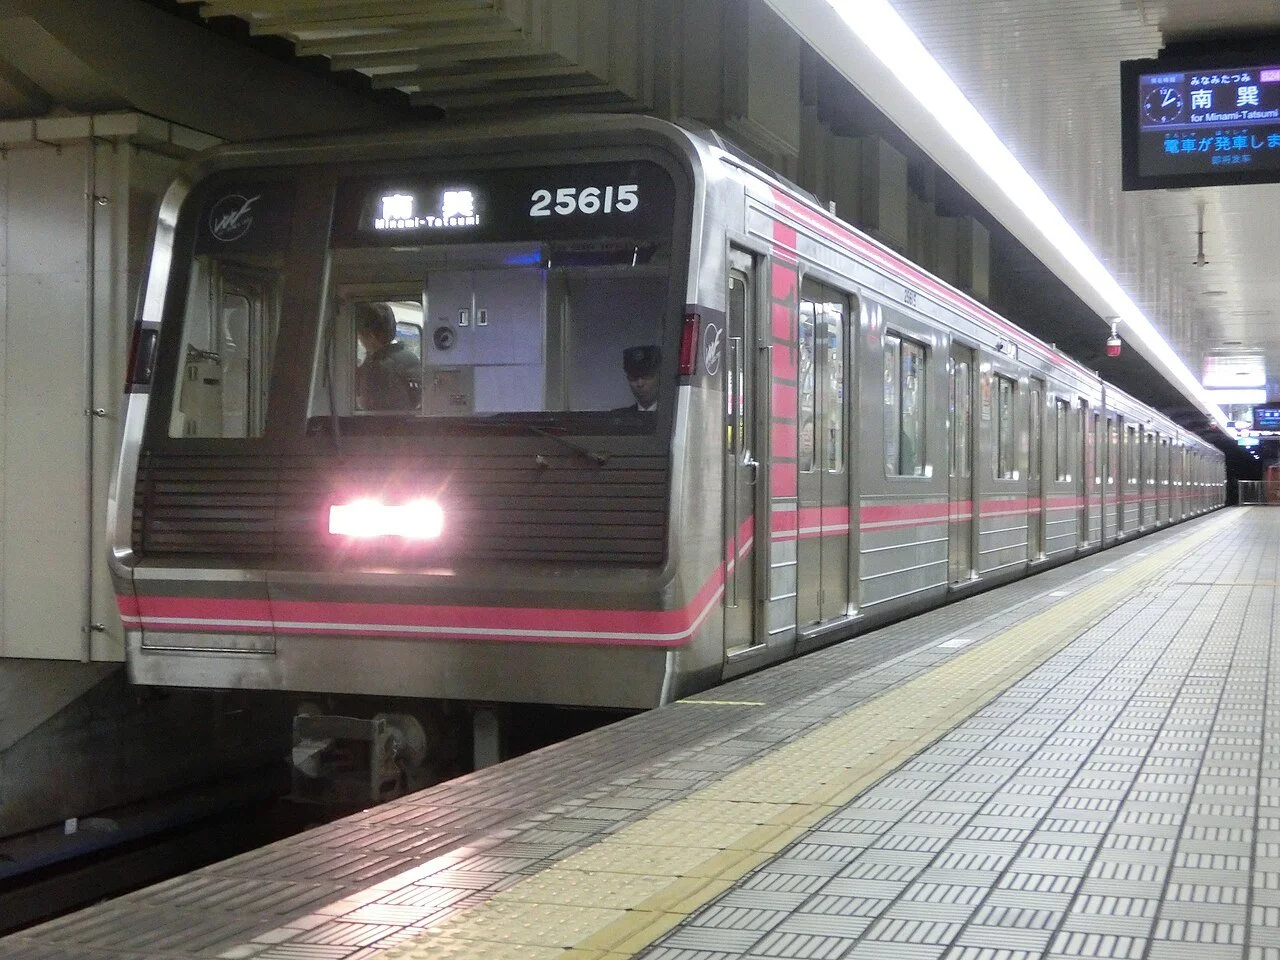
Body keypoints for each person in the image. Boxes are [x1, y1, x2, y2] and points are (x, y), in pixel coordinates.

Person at [354, 302, 420, 411]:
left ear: (371, 337)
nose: (359, 339)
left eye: (359, 335)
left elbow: (370, 408)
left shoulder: (377, 368)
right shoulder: (410, 357)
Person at [619, 345, 660, 412]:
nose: (640, 384)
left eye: (646, 376)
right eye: (633, 377)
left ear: (659, 377)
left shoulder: (676, 414)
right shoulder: (619, 418)